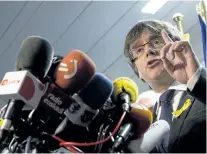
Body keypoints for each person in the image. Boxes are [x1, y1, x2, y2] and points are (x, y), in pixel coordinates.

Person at [124, 20, 206, 153]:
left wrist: (196, 78)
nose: (148, 51)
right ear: (137, 72)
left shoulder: (202, 89)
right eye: (139, 50)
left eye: (156, 42)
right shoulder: (143, 128)